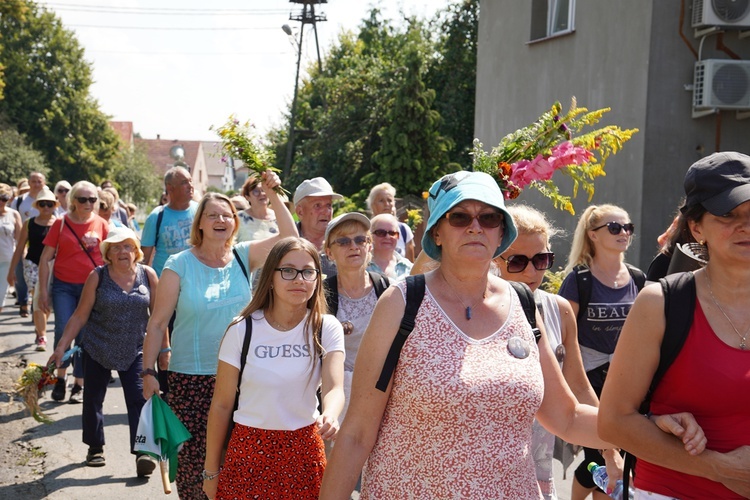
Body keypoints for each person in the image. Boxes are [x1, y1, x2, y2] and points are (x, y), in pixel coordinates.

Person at [319, 171, 620, 498]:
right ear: (437, 233)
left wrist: (647, 428)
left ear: (501, 231)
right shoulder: (402, 302)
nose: (475, 227)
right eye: (460, 217)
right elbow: (357, 434)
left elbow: (568, 417)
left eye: (489, 217)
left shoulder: (523, 304)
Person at [599, 152, 750, 499]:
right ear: (697, 227)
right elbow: (613, 421)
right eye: (728, 215)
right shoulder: (661, 304)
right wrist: (719, 468)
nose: (745, 225)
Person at [141, 171, 298, 499]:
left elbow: (290, 235)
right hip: (191, 381)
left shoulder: (243, 256)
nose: (221, 220)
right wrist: (148, 372)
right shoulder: (179, 264)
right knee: (195, 466)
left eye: (227, 215)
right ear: (199, 223)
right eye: (212, 215)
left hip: (244, 379)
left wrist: (273, 191)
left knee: (240, 464)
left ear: (235, 223)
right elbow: (157, 324)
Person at [202, 237, 345, 499]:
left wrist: (332, 415)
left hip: (305, 452)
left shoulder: (326, 327)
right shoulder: (241, 328)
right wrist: (211, 472)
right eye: (288, 271)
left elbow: (334, 387)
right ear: (270, 277)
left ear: (317, 279)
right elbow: (221, 405)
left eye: (308, 272)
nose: (299, 279)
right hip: (248, 452)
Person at [495, 205, 602, 499]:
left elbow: (579, 386)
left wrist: (608, 451)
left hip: (537, 468)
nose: (532, 271)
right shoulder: (472, 312)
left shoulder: (559, 310)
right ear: (494, 258)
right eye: (518, 261)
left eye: (541, 259)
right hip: (483, 467)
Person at [48, 227, 159, 476]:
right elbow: (79, 316)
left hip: (135, 348)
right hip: (98, 345)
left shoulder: (148, 275)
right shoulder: (97, 276)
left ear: (136, 251)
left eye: (127, 246)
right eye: (116, 247)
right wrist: (61, 347)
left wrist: (165, 351)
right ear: (108, 254)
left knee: (138, 399)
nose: (122, 251)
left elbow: (158, 319)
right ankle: (95, 447)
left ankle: (142, 452)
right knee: (93, 398)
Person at [557, 203, 645, 499]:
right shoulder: (579, 280)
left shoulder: (637, 278)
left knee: (621, 453)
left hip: (625, 379)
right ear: (593, 235)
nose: (624, 233)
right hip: (587, 378)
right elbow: (562, 334)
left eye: (627, 227)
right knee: (604, 452)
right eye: (615, 227)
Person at [38, 181, 108, 403]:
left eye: (92, 199)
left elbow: (110, 259)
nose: (88, 203)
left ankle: (79, 382)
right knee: (62, 328)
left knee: (85, 335)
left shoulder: (102, 224)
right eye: (83, 199)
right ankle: (61, 376)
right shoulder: (60, 223)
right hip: (64, 286)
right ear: (73, 201)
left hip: (92, 287)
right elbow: (44, 258)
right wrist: (42, 292)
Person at [323, 212, 388, 425]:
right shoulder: (321, 294)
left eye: (361, 239)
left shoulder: (386, 288)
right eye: (343, 241)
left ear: (369, 246)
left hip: (381, 395)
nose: (353, 246)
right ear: (329, 252)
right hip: (335, 401)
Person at [7, 188, 58, 351]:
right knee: (37, 297)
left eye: (49, 204)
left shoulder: (59, 224)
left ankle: (39, 328)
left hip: (53, 266)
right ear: (37, 205)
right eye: (42, 204)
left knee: (47, 302)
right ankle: (42, 336)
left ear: (54, 206)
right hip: (32, 265)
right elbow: (20, 246)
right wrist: (11, 271)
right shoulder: (29, 223)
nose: (46, 208)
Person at [140, 166, 197, 276]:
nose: (190, 186)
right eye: (184, 182)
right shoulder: (156, 217)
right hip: (165, 284)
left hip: (194, 283)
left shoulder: (201, 212)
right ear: (170, 188)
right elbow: (143, 259)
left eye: (191, 181)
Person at [13, 172, 47, 317]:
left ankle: (36, 310)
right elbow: (12, 217)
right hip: (22, 242)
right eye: (33, 181)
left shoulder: (49, 199)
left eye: (39, 181)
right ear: (28, 182)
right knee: (21, 276)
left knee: (40, 283)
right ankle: (23, 302)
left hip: (43, 245)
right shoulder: (19, 201)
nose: (36, 184)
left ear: (44, 183)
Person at [293, 177, 342, 277]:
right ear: (300, 212)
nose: (326, 211)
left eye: (329, 205)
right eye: (317, 205)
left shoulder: (343, 241)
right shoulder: (285, 241)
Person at [366, 182, 415, 261]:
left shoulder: (403, 230)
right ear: (372, 205)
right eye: (381, 200)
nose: (387, 204)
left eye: (390, 200)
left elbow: (411, 268)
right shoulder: (365, 230)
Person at [367, 213, 413, 280]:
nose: (387, 237)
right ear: (370, 236)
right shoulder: (360, 266)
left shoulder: (409, 268)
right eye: (381, 233)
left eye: (392, 233)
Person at [236, 174, 279, 243]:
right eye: (256, 191)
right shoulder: (238, 219)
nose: (262, 194)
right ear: (247, 197)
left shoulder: (278, 216)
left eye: (264, 190)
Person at [0, 183, 22, 314]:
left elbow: (20, 240)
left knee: (1, 293)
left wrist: (20, 261)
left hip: (7, 259)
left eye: (4, 199)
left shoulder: (14, 215)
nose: (1, 202)